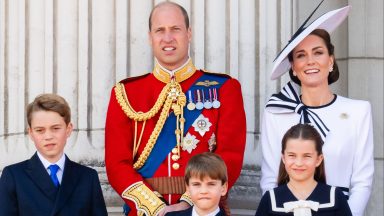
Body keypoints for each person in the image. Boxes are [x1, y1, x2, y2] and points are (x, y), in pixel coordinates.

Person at [105, 2, 246, 216]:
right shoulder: (126, 93)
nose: (168, 38)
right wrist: (153, 206)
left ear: (189, 33)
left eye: (175, 29)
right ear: (150, 36)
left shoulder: (225, 89)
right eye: (160, 30)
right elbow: (117, 164)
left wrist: (191, 202)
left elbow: (230, 156)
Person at [260, 4, 374, 216]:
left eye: (318, 52)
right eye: (301, 55)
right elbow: (269, 179)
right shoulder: (276, 112)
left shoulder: (359, 111)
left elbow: (362, 181)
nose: (310, 61)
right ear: (293, 66)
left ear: (330, 61)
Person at [0, 93, 108, 216]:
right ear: (30, 133)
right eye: (40, 130)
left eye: (55, 128)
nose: (48, 136)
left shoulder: (88, 177)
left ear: (68, 129)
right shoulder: (13, 176)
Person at [256, 124, 352, 216]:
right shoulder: (270, 200)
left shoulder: (335, 198)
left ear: (318, 159)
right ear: (284, 158)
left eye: (307, 156)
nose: (299, 163)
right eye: (292, 155)